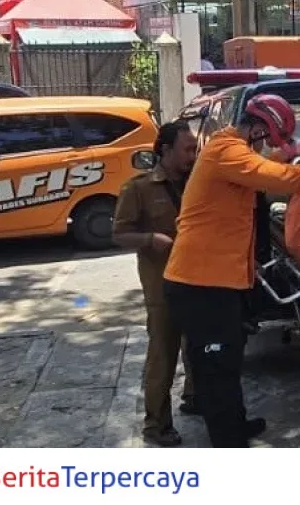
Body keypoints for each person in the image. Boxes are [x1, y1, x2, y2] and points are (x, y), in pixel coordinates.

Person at [162, 93, 300, 448]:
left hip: (221, 276)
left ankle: (235, 424)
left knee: (228, 359)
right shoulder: (225, 151)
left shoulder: (235, 150)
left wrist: (288, 150)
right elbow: (272, 175)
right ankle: (228, 443)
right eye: (269, 139)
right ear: (256, 130)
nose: (269, 146)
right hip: (200, 282)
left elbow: (261, 164)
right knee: (216, 366)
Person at [112, 121, 199, 447]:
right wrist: (150, 239)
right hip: (161, 285)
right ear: (165, 150)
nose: (193, 155)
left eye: (194, 149)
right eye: (187, 149)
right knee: (163, 355)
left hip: (197, 278)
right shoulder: (139, 188)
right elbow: (120, 234)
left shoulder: (196, 182)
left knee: (197, 345)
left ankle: (195, 397)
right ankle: (156, 426)